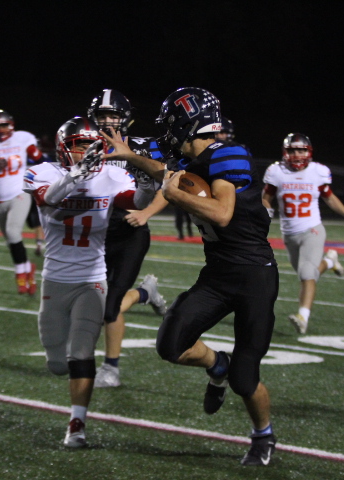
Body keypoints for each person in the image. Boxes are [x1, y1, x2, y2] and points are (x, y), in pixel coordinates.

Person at [102, 87, 279, 466]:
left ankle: (263, 435)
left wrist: (175, 196)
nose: (166, 135)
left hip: (254, 279)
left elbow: (221, 214)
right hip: (217, 275)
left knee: (245, 380)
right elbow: (169, 174)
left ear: (188, 124)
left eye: (170, 127)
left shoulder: (228, 152)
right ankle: (217, 363)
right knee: (171, 344)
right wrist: (131, 155)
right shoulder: (195, 161)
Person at [22, 116, 157, 448]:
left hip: (92, 278)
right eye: (79, 146)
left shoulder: (110, 175)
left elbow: (136, 203)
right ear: (63, 149)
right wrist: (76, 176)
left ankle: (77, 425)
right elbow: (48, 199)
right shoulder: (43, 172)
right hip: (55, 278)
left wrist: (147, 184)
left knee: (81, 352)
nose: (87, 152)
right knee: (56, 363)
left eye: (92, 145)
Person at [87, 89, 168, 388]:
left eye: (114, 115)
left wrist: (147, 214)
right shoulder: (87, 146)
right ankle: (146, 293)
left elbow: (170, 182)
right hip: (95, 235)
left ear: (126, 118)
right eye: (102, 115)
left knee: (110, 307)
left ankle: (111, 369)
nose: (108, 121)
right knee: (92, 303)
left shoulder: (145, 147)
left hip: (130, 233)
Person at [262, 133, 344, 335]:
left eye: (301, 150)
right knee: (307, 275)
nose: (297, 154)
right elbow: (266, 197)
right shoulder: (276, 172)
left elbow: (329, 198)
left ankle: (302, 317)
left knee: (307, 273)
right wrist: (266, 209)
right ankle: (330, 261)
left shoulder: (317, 172)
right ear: (285, 152)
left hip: (312, 230)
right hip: (289, 234)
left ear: (309, 151)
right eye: (292, 150)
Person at [0, 110, 45, 295]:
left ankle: (20, 275)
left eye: (4, 124)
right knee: (11, 240)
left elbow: (40, 159)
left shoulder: (23, 139)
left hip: (20, 193)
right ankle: (28, 267)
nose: (1, 129)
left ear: (11, 125)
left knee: (13, 232)